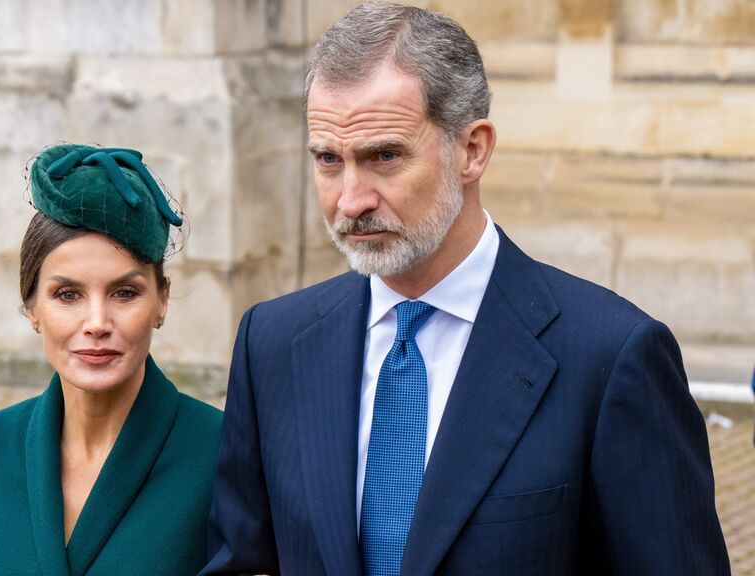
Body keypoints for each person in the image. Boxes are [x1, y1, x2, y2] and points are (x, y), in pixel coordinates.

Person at [203, 3, 729, 575]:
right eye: (329, 160)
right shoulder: (273, 343)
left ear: (473, 149)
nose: (350, 199)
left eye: (384, 156)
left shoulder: (611, 355)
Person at [0, 144, 222, 575]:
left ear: (161, 301)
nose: (96, 322)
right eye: (67, 295)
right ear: (33, 308)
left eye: (124, 293)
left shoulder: (223, 453)